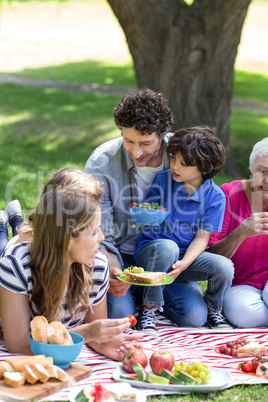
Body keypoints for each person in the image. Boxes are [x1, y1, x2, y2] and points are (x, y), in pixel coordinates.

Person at [0, 173, 142, 361]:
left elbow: (93, 329)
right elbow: (17, 343)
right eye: (94, 232)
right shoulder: (16, 264)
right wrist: (87, 333)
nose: (102, 238)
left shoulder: (97, 265)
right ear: (67, 239)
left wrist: (103, 342)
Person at [134, 126, 235, 336]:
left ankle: (213, 310)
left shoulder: (215, 196)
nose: (175, 167)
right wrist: (146, 214)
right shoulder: (163, 180)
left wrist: (184, 264)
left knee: (223, 268)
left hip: (182, 260)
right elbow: (149, 214)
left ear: (205, 168)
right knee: (168, 247)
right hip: (153, 254)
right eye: (173, 159)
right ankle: (149, 308)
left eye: (184, 164)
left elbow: (202, 237)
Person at [84, 88, 174, 319]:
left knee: (193, 315)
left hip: (165, 258)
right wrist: (115, 271)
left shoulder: (182, 154)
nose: (136, 151)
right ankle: (133, 294)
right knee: (120, 317)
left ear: (163, 134)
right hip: (120, 255)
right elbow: (101, 228)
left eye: (145, 143)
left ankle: (148, 297)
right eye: (128, 141)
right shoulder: (102, 162)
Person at [208, 137, 268, 328]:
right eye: (262, 171)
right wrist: (241, 232)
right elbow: (210, 256)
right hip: (238, 284)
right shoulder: (230, 193)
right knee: (244, 315)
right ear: (251, 168)